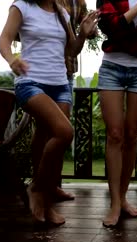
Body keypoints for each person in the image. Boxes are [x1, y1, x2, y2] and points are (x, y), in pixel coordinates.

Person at [0, 0, 98, 224]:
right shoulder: (21, 6)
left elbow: (71, 50)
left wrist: (82, 34)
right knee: (64, 132)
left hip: (60, 84)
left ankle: (46, 203)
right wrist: (12, 59)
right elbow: (4, 39)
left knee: (47, 137)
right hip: (31, 83)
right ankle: (37, 189)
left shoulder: (61, 12)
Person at [96, 0, 137, 227]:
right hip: (112, 67)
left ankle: (122, 198)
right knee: (115, 134)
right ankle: (114, 203)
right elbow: (111, 26)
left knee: (133, 133)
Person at [53, 0, 98, 202]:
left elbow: (90, 31)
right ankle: (42, 184)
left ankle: (54, 185)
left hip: (66, 71)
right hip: (38, 73)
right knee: (46, 131)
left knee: (61, 131)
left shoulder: (76, 1)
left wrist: (89, 29)